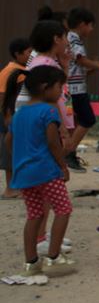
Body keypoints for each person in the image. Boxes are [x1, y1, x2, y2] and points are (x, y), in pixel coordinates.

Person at [3, 64, 76, 276]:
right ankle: (54, 258)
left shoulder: (20, 114)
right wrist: (62, 165)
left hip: (24, 173)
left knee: (34, 215)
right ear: (46, 87)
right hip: (46, 170)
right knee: (63, 209)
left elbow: (9, 141)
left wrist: (21, 157)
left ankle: (31, 263)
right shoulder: (48, 111)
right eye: (59, 87)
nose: (61, 92)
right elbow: (53, 143)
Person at [64, 7, 99, 170]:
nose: (92, 30)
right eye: (91, 25)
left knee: (75, 122)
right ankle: (69, 154)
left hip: (71, 87)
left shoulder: (69, 38)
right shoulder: (75, 39)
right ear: (82, 24)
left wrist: (91, 68)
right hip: (75, 89)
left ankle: (67, 152)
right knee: (87, 119)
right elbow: (81, 60)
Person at [1, 38, 32, 198]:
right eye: (28, 52)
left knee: (16, 152)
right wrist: (7, 116)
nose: (30, 54)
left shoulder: (21, 70)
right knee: (10, 153)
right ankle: (10, 189)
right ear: (17, 54)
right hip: (10, 117)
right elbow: (2, 96)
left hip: (16, 117)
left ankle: (17, 187)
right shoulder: (12, 72)